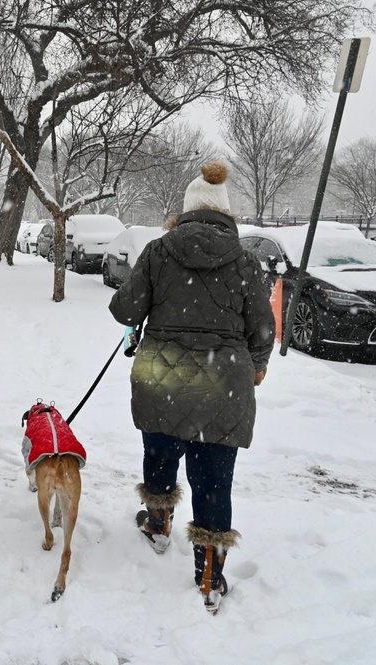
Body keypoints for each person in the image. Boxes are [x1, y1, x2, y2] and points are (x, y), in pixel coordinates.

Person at [108, 161, 275, 615]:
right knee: (214, 480)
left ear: (184, 212)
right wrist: (255, 368)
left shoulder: (159, 251)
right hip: (224, 386)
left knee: (161, 452)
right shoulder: (245, 260)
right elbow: (263, 329)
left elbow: (124, 310)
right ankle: (209, 574)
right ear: (226, 214)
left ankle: (159, 523)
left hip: (162, 376)